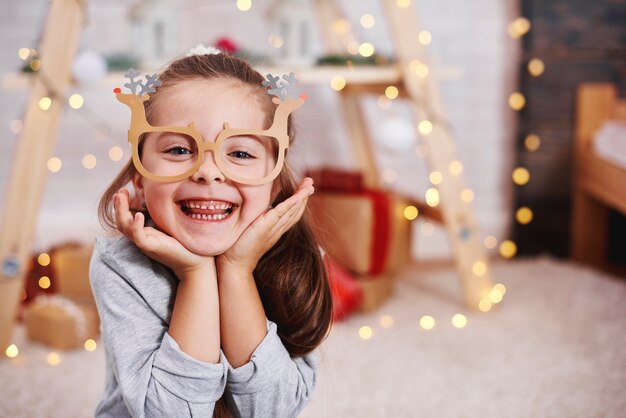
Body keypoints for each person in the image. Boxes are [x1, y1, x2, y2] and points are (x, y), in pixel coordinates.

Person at [89, 49, 333, 418]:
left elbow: (273, 411)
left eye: (240, 154)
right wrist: (196, 274)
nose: (208, 171)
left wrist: (236, 271)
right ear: (139, 180)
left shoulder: (297, 256)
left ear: (274, 186)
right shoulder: (120, 265)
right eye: (178, 149)